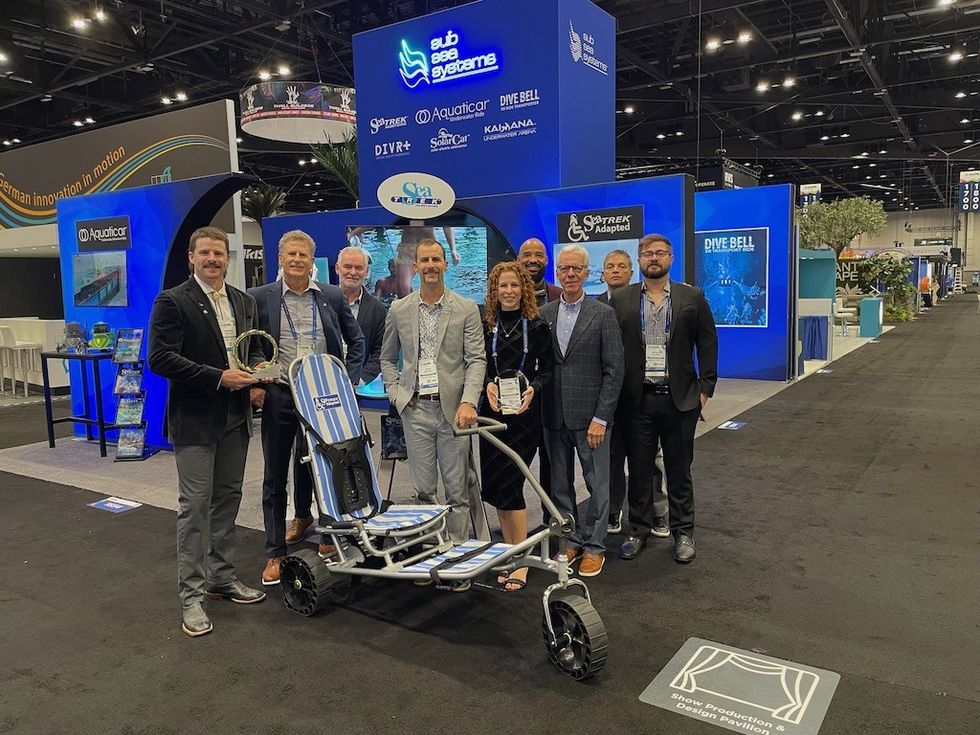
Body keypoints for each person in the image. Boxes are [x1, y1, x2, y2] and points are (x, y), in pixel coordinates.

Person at [148, 226, 267, 638]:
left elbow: (250, 352)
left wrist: (254, 382)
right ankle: (191, 597)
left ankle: (221, 578)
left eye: (219, 253)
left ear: (227, 258)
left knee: (227, 501)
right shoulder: (172, 301)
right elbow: (161, 359)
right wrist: (220, 378)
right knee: (194, 507)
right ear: (192, 258)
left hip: (236, 418)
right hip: (196, 420)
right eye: (206, 253)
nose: (213, 259)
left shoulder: (243, 301)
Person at [248, 230, 365, 586]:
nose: (297, 260)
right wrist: (257, 381)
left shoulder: (330, 296)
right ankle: (274, 552)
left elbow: (355, 341)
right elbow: (253, 347)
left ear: (312, 261)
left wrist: (348, 381)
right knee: (274, 474)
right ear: (280, 259)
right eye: (291, 254)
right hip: (281, 394)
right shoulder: (259, 298)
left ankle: (329, 533)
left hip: (322, 397)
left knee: (326, 466)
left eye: (303, 255)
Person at [380, 238, 486, 575]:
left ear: (445, 264)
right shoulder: (399, 309)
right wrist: (397, 394)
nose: (430, 265)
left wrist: (470, 400)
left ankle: (455, 560)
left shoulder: (466, 307)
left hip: (454, 411)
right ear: (416, 264)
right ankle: (429, 555)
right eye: (424, 260)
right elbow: (386, 359)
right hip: (416, 411)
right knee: (424, 491)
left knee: (457, 491)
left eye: (436, 259)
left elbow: (476, 360)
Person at [611, 233, 718, 564]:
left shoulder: (693, 297)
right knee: (640, 469)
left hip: (680, 401)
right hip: (637, 401)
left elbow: (708, 343)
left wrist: (704, 390)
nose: (653, 258)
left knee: (679, 469)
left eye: (659, 253)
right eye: (647, 253)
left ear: (671, 258)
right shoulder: (622, 299)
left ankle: (683, 531)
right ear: (639, 260)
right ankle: (638, 530)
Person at [539, 245, 624, 577]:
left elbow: (614, 370)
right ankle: (572, 538)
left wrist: (601, 418)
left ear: (588, 274)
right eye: (564, 269)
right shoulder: (544, 314)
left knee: (597, 484)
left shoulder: (603, 314)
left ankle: (595, 546)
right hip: (553, 416)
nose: (570, 274)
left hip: (592, 420)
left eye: (576, 269)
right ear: (557, 273)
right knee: (560, 484)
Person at [479, 262, 554, 591]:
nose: (508, 292)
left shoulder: (537, 326)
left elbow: (548, 369)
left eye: (514, 286)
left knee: (512, 485)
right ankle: (511, 552)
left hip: (523, 418)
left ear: (524, 289)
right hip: (492, 413)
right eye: (502, 286)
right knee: (496, 488)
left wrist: (533, 389)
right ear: (494, 291)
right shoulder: (486, 326)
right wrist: (487, 386)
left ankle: (521, 560)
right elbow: (478, 365)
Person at [596, 250, 669, 538]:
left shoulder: (647, 302)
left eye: (622, 266)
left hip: (645, 393)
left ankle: (658, 512)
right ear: (602, 274)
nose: (616, 271)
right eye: (610, 266)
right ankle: (613, 510)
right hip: (610, 398)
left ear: (631, 272)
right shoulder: (595, 306)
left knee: (651, 457)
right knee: (612, 458)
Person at [335, 245, 386, 384]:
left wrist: (361, 379)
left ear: (366, 271)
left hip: (356, 384)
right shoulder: (322, 301)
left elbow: (381, 352)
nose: (353, 272)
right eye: (347, 267)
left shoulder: (378, 310)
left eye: (359, 268)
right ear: (337, 268)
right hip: (324, 379)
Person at [518, 237, 563, 306]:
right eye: (527, 255)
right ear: (518, 260)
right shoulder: (505, 295)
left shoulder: (561, 296)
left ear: (546, 260)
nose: (533, 260)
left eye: (539, 255)